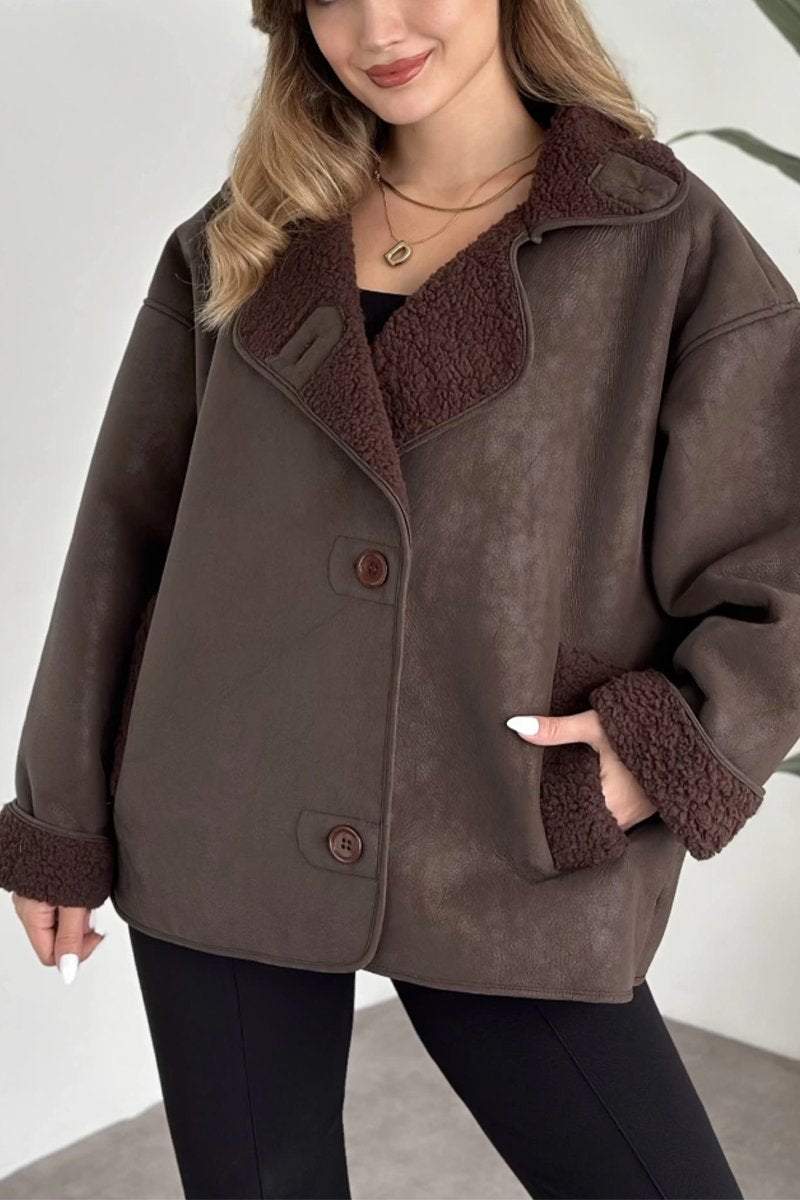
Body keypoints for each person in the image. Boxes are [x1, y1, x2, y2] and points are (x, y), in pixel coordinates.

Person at [3, 0, 799, 1196]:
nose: (376, 25)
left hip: (503, 835)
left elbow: (779, 553)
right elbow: (124, 536)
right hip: (222, 820)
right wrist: (58, 823)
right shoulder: (245, 236)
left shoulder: (657, 240)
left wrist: (661, 754)